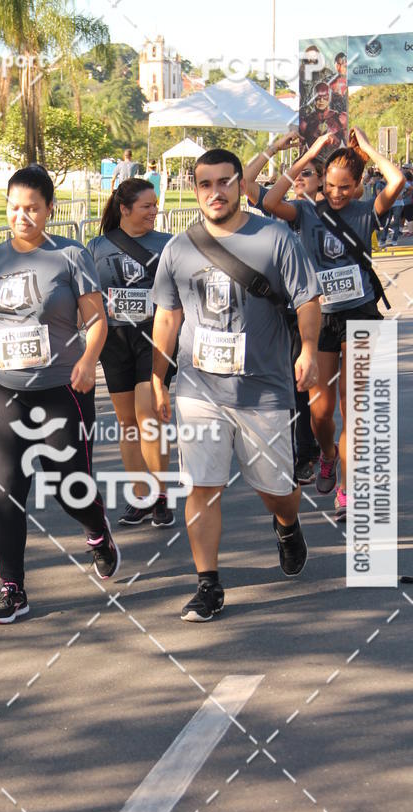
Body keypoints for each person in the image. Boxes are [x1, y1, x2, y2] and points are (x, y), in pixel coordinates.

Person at [151, 148, 321, 623]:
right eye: (205, 184)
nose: (215, 192)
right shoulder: (179, 248)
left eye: (225, 182)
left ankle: (287, 525)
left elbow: (308, 299)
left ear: (240, 185)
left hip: (263, 390)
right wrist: (157, 375)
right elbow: (168, 316)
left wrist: (308, 348)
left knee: (276, 491)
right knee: (202, 487)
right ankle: (208, 585)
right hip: (198, 390)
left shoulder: (274, 236)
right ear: (194, 188)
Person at [0, 164, 120, 625]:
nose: (22, 216)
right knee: (6, 489)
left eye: (32, 208)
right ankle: (12, 587)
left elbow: (96, 321)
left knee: (68, 485)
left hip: (61, 389)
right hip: (1, 390)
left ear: (49, 210)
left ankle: (96, 531)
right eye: (14, 207)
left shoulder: (71, 256)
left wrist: (87, 361)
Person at [263, 128, 404, 522]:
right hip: (320, 320)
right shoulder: (306, 210)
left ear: (358, 185)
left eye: (345, 187)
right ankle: (327, 454)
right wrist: (310, 154)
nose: (337, 193)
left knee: (355, 410)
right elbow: (271, 199)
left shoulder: (366, 211)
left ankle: (348, 489)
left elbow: (397, 181)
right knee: (321, 412)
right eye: (330, 185)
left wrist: (369, 149)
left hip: (361, 315)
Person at [87, 178, 176, 527]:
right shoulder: (96, 246)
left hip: (154, 338)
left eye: (155, 205)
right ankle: (141, 496)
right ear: (124, 209)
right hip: (115, 339)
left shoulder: (168, 245)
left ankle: (160, 494)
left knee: (148, 413)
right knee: (126, 422)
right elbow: (87, 294)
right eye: (147, 206)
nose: (154, 212)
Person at [243, 134, 322, 485]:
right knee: (292, 384)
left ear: (322, 179)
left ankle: (325, 453)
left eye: (307, 173)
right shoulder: (288, 212)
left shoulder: (333, 210)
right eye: (297, 173)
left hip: (333, 311)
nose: (300, 177)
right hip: (288, 311)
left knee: (327, 397)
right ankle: (302, 454)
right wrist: (275, 149)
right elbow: (246, 184)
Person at [299, 83, 345, 149]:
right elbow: (301, 148)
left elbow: (348, 145)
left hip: (335, 157)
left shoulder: (341, 119)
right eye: (318, 97)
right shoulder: (305, 123)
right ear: (314, 98)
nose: (321, 100)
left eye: (325, 96)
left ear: (329, 97)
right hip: (313, 158)